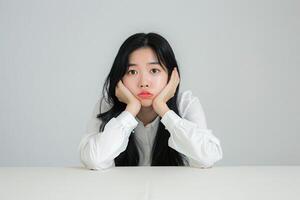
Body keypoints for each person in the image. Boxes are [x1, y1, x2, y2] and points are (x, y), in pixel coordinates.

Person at [78, 32, 223, 170]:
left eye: (154, 70)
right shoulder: (107, 105)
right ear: (120, 77)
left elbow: (207, 157)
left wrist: (163, 110)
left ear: (172, 76)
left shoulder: (185, 103)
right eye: (132, 72)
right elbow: (93, 160)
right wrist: (130, 110)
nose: (144, 83)